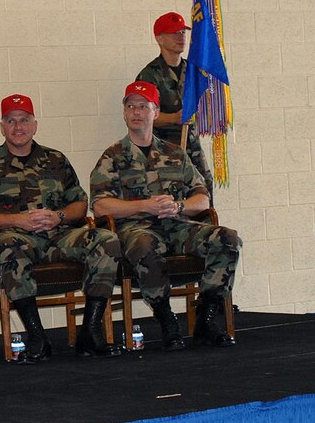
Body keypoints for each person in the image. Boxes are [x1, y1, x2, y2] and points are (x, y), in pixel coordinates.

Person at [0, 94, 123, 363]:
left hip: (60, 236)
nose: (18, 127)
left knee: (106, 239)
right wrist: (17, 220)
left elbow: (80, 204)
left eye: (24, 120)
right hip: (18, 238)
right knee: (7, 246)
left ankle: (90, 332)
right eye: (11, 121)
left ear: (35, 124)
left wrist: (59, 216)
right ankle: (37, 337)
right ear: (2, 127)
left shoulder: (56, 159)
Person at [90, 81, 240, 350]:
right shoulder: (112, 157)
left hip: (178, 225)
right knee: (145, 246)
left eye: (143, 106)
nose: (137, 112)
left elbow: (202, 198)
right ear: (124, 113)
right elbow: (100, 207)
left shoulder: (175, 154)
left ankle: (206, 316)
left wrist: (180, 206)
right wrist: (144, 206)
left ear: (155, 112)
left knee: (228, 238)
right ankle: (167, 319)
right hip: (138, 230)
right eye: (131, 106)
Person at [137, 12, 214, 198]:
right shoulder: (150, 75)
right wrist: (173, 118)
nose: (181, 37)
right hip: (165, 149)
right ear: (159, 38)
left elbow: (206, 105)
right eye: (174, 33)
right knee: (172, 195)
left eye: (182, 32)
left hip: (192, 145)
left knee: (204, 187)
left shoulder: (194, 72)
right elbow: (141, 116)